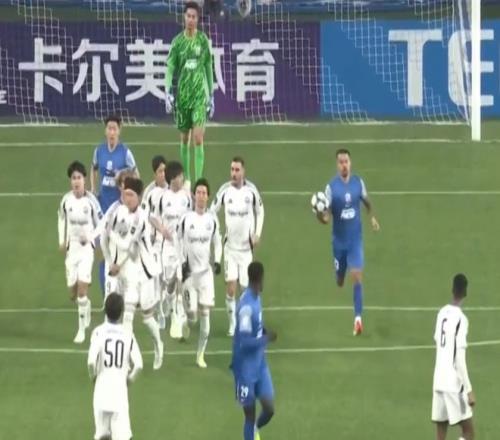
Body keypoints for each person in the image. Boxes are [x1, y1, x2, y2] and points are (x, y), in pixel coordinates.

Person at [317, 148, 380, 335]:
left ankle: (358, 319)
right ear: (337, 165)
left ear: (350, 163)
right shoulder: (331, 188)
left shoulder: (358, 183)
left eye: (346, 161)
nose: (344, 165)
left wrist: (372, 217)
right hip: (339, 243)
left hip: (354, 241)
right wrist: (319, 215)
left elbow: (367, 202)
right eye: (341, 162)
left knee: (357, 276)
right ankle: (339, 273)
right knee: (340, 280)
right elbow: (326, 218)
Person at [107, 177, 164, 370]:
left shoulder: (140, 218)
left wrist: (111, 233)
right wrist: (114, 262)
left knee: (147, 317)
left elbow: (125, 243)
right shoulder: (119, 212)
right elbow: (115, 241)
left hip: (144, 271)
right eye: (125, 194)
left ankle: (158, 345)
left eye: (131, 195)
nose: (127, 198)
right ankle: (126, 359)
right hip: (128, 271)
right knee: (128, 314)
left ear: (138, 197)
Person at [211, 156, 264, 336]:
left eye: (237, 170)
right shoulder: (225, 191)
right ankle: (233, 324)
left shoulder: (251, 191)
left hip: (246, 249)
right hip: (230, 249)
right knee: (231, 288)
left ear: (243, 171)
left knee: (245, 288)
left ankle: (247, 320)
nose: (233, 173)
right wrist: (216, 231)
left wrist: (257, 233)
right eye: (232, 169)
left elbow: (260, 211)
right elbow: (212, 211)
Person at [164, 1, 215, 188]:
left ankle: (198, 181)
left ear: (198, 19)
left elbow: (208, 66)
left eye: (194, 17)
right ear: (184, 18)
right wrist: (167, 91)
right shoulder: (178, 42)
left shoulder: (202, 40)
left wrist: (211, 95)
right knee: (185, 138)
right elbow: (170, 67)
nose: (191, 20)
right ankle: (186, 180)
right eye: (188, 16)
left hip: (199, 96)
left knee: (198, 138)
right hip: (183, 97)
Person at [90, 115, 139, 296]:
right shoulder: (99, 151)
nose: (111, 132)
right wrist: (93, 188)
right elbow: (93, 168)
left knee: (123, 249)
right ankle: (107, 295)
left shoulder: (125, 153)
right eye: (109, 128)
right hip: (103, 208)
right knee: (104, 252)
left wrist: (132, 194)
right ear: (106, 131)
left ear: (119, 130)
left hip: (121, 208)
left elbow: (136, 174)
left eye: (114, 129)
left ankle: (126, 292)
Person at [178, 178, 222, 368]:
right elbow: (178, 241)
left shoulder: (212, 220)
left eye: (204, 193)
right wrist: (182, 262)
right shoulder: (186, 219)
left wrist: (218, 260)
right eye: (198, 193)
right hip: (189, 276)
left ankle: (200, 355)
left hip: (205, 275)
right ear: (194, 195)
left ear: (208, 196)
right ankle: (186, 323)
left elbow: (217, 242)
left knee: (205, 314)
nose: (201, 196)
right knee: (193, 316)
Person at [88, 293, 143, 440]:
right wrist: (129, 380)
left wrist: (93, 377)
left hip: (101, 391)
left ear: (105, 310)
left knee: (101, 436)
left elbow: (91, 362)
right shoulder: (127, 334)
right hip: (119, 392)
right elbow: (139, 365)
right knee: (123, 436)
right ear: (122, 312)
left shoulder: (98, 332)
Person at [231, 261, 276, 440]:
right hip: (245, 369)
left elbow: (255, 328)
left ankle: (255, 429)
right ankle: (250, 432)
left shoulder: (257, 296)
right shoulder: (246, 308)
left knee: (269, 409)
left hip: (260, 363)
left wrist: (262, 331)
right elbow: (244, 342)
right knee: (249, 415)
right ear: (259, 279)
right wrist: (267, 338)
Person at [57, 161, 102, 343]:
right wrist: (62, 240)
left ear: (84, 180)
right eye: (73, 178)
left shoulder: (91, 201)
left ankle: (81, 329)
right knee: (73, 294)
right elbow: (61, 218)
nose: (76, 181)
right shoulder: (66, 200)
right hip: (72, 249)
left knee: (82, 291)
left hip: (86, 250)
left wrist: (91, 238)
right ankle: (86, 305)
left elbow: (101, 224)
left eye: (79, 178)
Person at [150, 161, 192, 335]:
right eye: (179, 176)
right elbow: (152, 217)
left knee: (182, 278)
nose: (182, 179)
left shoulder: (187, 197)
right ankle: (167, 301)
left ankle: (178, 315)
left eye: (182, 175)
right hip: (167, 246)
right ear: (172, 179)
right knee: (169, 282)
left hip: (182, 245)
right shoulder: (162, 197)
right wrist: (162, 229)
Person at [432, 274, 475, 440]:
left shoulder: (441, 313)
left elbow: (438, 340)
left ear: (452, 290)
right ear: (465, 292)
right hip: (453, 384)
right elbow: (459, 359)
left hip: (438, 380)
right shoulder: (461, 320)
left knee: (441, 434)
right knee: (469, 432)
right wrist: (469, 390)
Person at [142, 155, 169, 327]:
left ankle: (169, 303)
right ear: (154, 174)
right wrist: (151, 233)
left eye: (165, 170)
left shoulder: (172, 189)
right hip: (156, 240)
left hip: (171, 241)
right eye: (160, 171)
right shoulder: (149, 193)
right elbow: (145, 215)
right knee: (158, 276)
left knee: (169, 277)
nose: (163, 174)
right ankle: (160, 312)